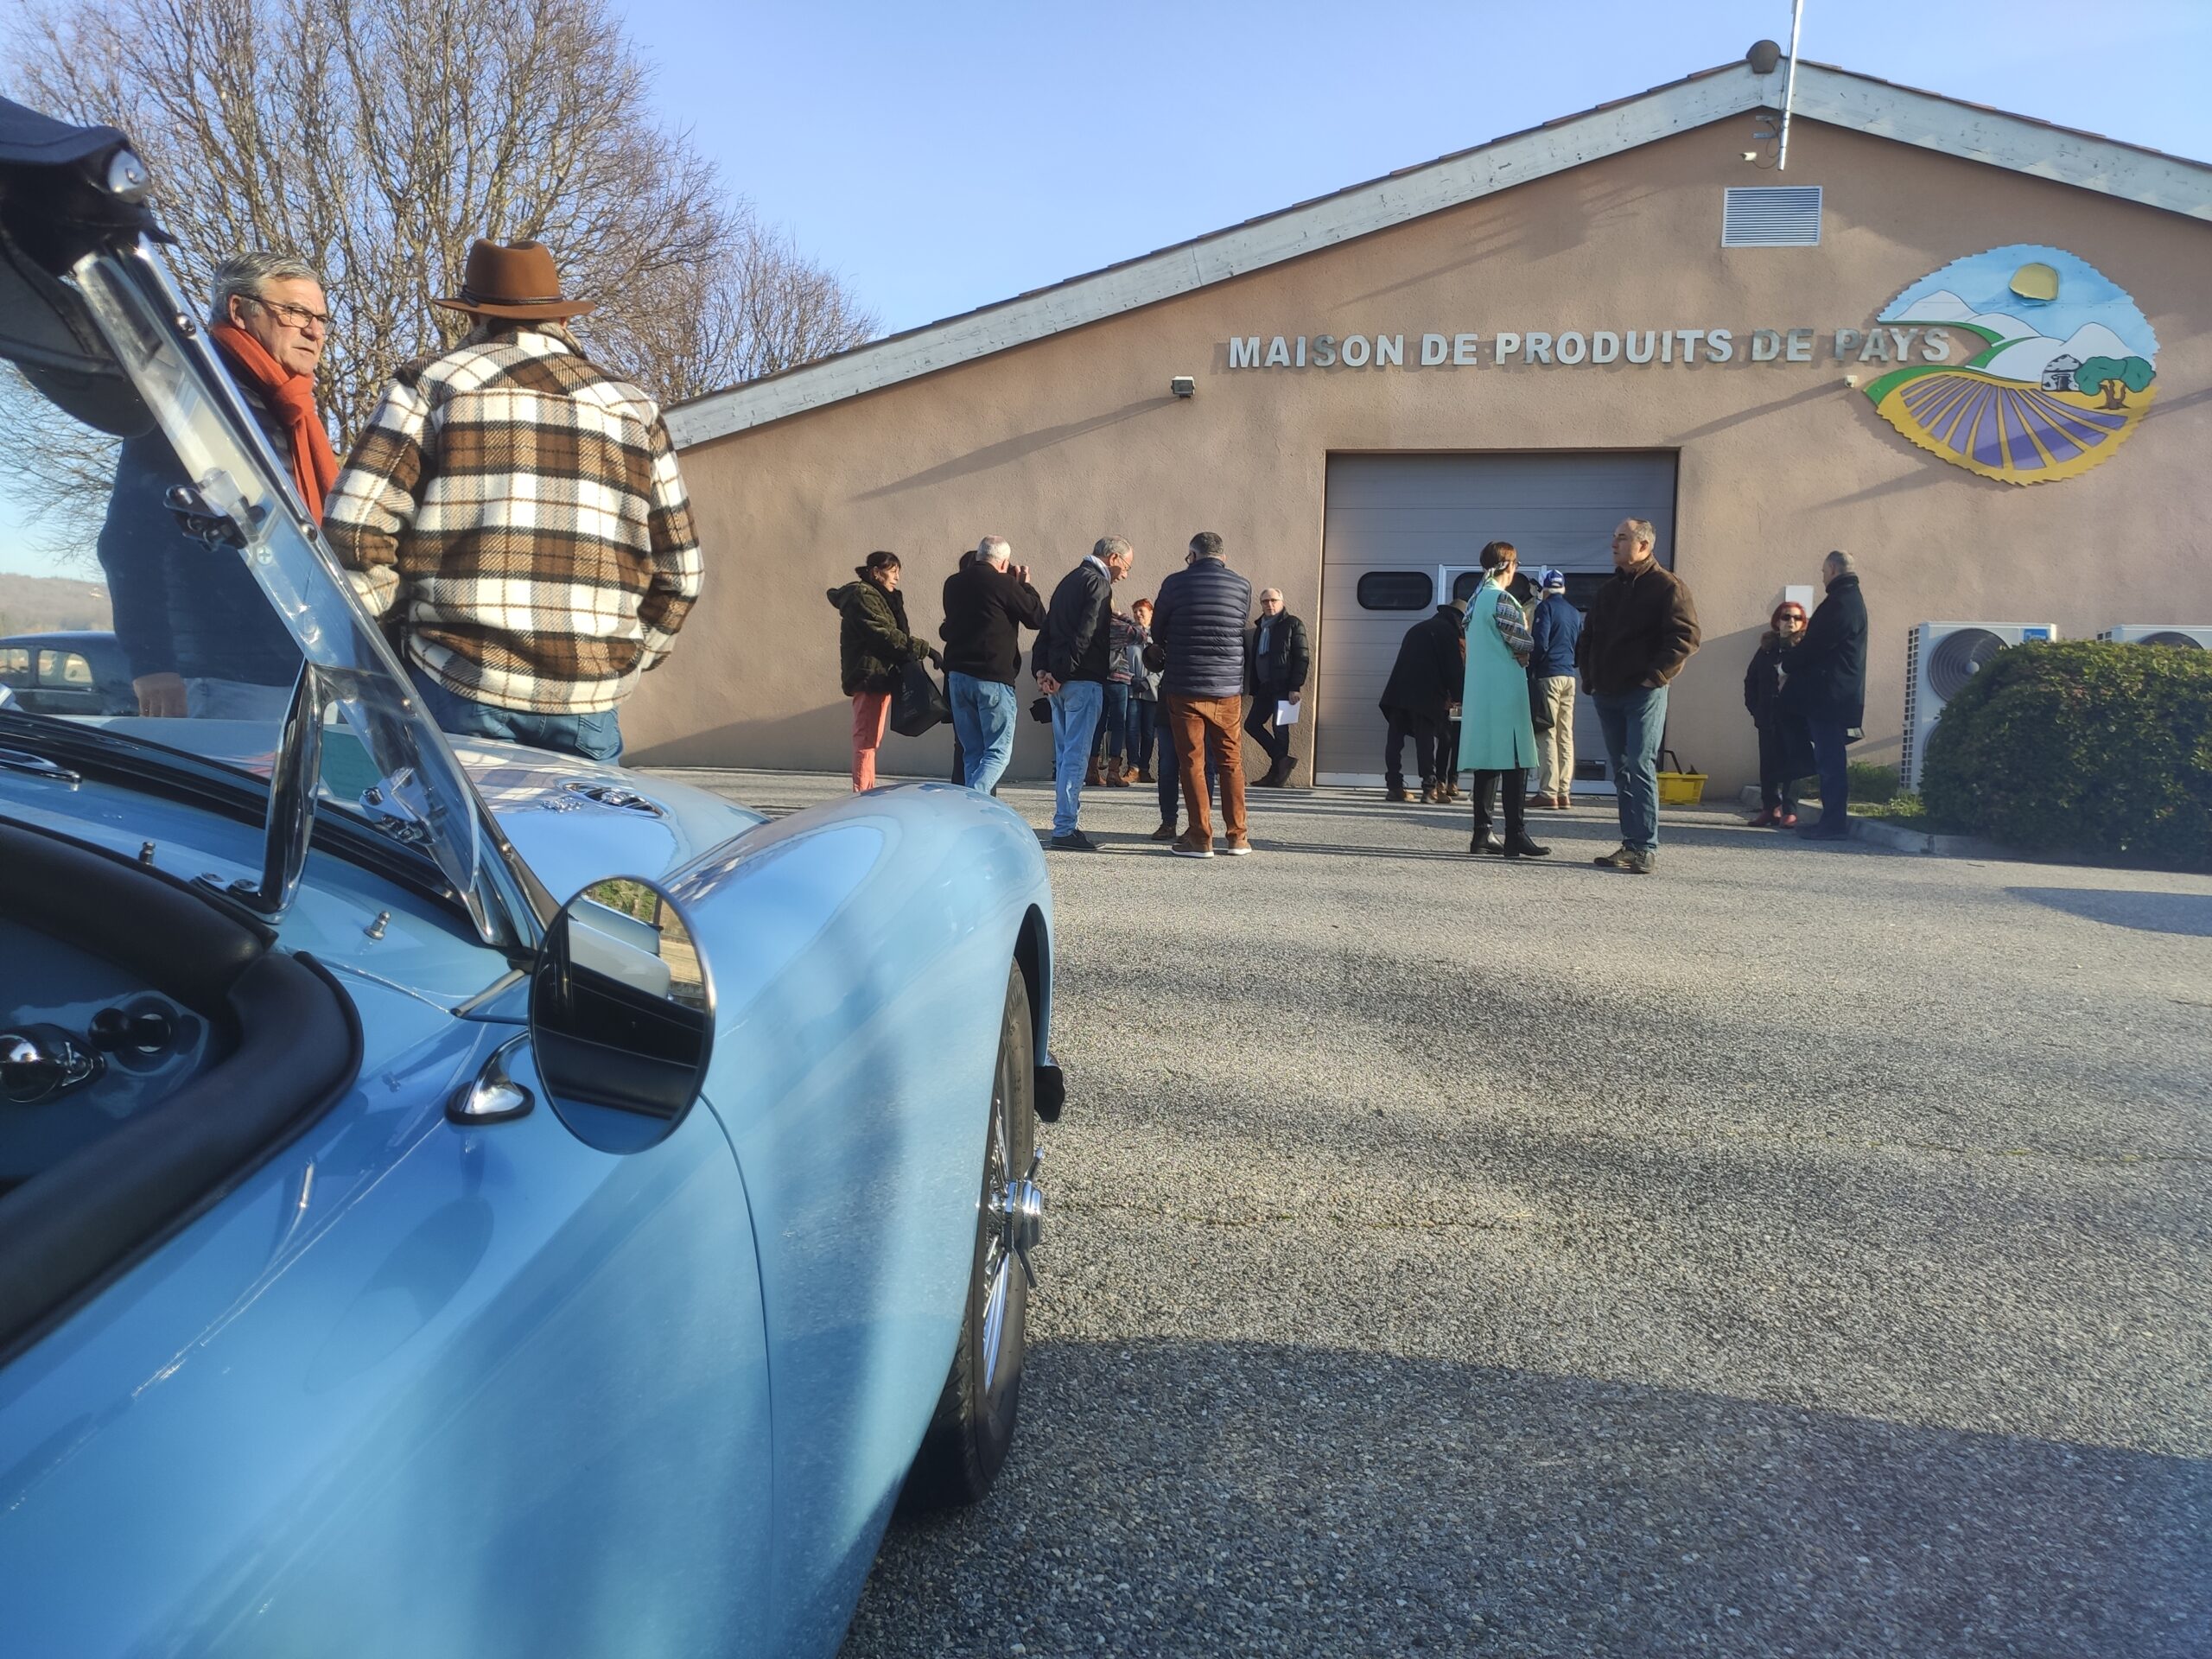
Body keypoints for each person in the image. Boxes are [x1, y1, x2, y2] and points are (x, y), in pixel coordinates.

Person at [327, 238, 700, 763]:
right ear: (562, 321)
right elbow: (682, 575)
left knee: (455, 822)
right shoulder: (634, 409)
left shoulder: (431, 387)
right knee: (576, 822)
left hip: (456, 680)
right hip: (590, 699)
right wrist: (629, 659)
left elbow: (353, 531)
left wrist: (391, 642)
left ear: (474, 317)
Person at [99, 251, 331, 720]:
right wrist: (153, 664)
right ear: (239, 310)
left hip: (297, 667)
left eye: (322, 319)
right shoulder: (193, 400)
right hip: (217, 675)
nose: (314, 331)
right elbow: (130, 539)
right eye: (296, 312)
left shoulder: (290, 410)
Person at [1577, 518, 1700, 874]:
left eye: (1622, 538)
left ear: (1644, 546)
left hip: (1642, 695)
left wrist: (1654, 677)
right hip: (1607, 693)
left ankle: (1645, 847)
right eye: (1614, 537)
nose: (1614, 544)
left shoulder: (1667, 587)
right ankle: (1630, 844)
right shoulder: (1609, 591)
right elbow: (1589, 636)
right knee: (1621, 770)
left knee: (1640, 765)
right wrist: (1590, 678)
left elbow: (1686, 637)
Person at [1150, 531, 1252, 857]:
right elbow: (1238, 627)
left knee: (1192, 762)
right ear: (1223, 558)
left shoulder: (1174, 583)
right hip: (1227, 688)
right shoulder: (1242, 586)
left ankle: (1201, 838)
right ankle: (1238, 837)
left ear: (1192, 556)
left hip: (1186, 685)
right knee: (1230, 762)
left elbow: (1157, 631)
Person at [1036, 535, 1134, 851]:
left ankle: (1065, 825)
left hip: (1058, 683)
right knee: (1076, 758)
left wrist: (1043, 671)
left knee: (1065, 755)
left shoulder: (1068, 581)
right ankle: (1065, 828)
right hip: (1081, 681)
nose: (1124, 575)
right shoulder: (1098, 584)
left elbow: (1047, 629)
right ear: (1113, 557)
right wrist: (1061, 673)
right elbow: (1086, 634)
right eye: (1126, 567)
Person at [1459, 542, 1550, 859]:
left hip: (1480, 690)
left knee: (1487, 761)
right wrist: (1526, 641)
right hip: (1506, 687)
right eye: (1516, 563)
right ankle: (1515, 834)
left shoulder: (1474, 601)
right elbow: (1523, 642)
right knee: (1515, 759)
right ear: (1508, 565)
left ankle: (1482, 833)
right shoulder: (1502, 599)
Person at [941, 534, 1046, 795]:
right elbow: (1037, 617)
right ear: (1004, 562)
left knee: (971, 752)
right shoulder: (1005, 584)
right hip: (992, 677)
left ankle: (972, 809)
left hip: (958, 676)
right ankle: (973, 799)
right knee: (997, 752)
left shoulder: (953, 583)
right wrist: (1025, 586)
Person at [828, 551, 936, 791]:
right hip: (869, 676)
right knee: (866, 739)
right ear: (877, 572)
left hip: (879, 676)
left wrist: (896, 605)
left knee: (871, 739)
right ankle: (862, 795)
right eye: (892, 571)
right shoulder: (862, 595)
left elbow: (894, 633)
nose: (897, 578)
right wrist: (924, 649)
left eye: (898, 572)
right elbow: (882, 634)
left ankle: (865, 791)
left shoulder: (881, 597)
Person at [1780, 550, 1868, 841]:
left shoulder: (1841, 603)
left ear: (1832, 569)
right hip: (1833, 694)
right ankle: (1830, 822)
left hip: (1830, 696)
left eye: (1823, 571)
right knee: (1827, 759)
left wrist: (1787, 665)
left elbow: (1816, 644)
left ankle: (1832, 824)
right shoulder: (1848, 600)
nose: (1822, 577)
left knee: (1830, 761)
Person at [1377, 595, 1465, 803]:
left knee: (1395, 739)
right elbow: (1454, 671)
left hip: (1397, 691)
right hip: (1426, 695)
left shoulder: (1417, 628)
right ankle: (1430, 788)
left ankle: (1394, 786)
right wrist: (1459, 697)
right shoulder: (1449, 633)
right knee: (1425, 741)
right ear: (1459, 619)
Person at [1743, 599, 1812, 827]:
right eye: (1786, 617)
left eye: (1797, 618)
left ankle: (1790, 811)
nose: (1791, 622)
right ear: (1777, 621)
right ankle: (1769, 808)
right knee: (1768, 763)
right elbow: (1751, 680)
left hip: (1794, 717)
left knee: (1793, 762)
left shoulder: (1804, 648)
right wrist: (1755, 709)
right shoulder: (1766, 649)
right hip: (1768, 716)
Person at [1527, 568, 1583, 810]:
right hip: (1569, 675)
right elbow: (1580, 647)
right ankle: (1564, 792)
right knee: (1565, 734)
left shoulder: (1545, 608)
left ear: (1544, 589)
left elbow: (1540, 643)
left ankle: (1548, 792)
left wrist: (1530, 667)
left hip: (1548, 675)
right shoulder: (1574, 612)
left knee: (1547, 732)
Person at [1243, 588, 1310, 786]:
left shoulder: (1293, 624)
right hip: (1264, 687)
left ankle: (1276, 775)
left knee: (1280, 729)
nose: (1269, 604)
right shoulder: (1260, 628)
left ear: (1282, 602)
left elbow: (1302, 657)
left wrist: (1295, 687)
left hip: (1285, 686)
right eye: (1265, 601)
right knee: (1251, 725)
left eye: (1273, 600)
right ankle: (1282, 761)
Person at [1089, 601, 1138, 786]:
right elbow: (1140, 634)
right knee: (1118, 726)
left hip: (1099, 678)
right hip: (1118, 679)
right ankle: (1113, 772)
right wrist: (1121, 615)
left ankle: (1091, 771)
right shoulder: (1118, 625)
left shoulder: (1092, 624)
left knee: (1098, 725)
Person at [1125, 597, 1160, 784]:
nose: (1138, 614)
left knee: (1148, 732)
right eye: (1135, 611)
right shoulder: (1128, 636)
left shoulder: (1158, 637)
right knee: (1131, 729)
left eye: (1141, 611)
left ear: (1151, 613)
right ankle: (1133, 767)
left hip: (1151, 692)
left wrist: (1149, 681)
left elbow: (1164, 664)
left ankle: (1144, 769)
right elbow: (1121, 660)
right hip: (1132, 690)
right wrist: (1130, 678)